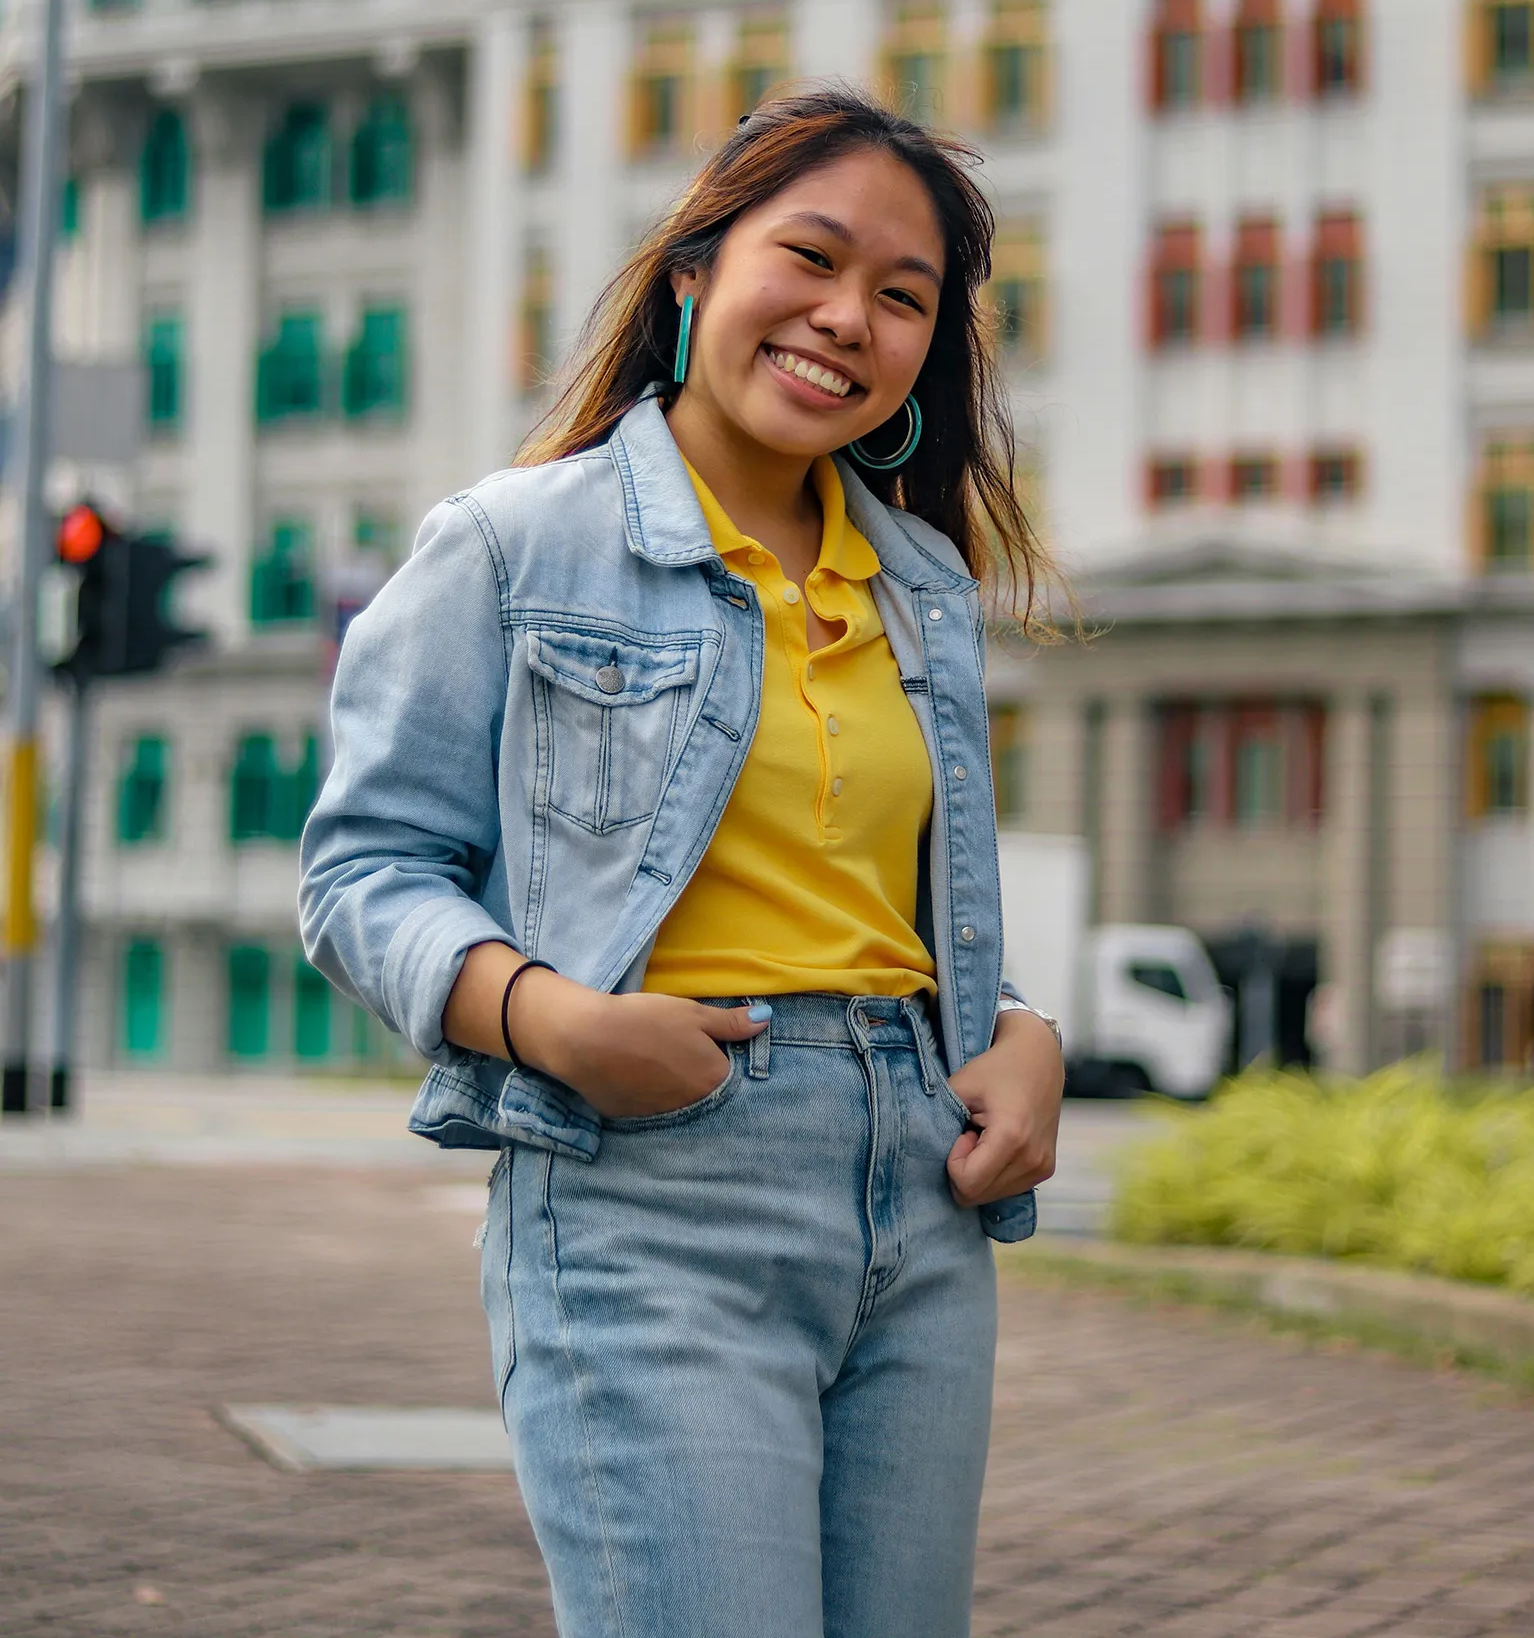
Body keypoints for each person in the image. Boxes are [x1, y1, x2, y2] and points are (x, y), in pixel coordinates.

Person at [299, 84, 1066, 1638]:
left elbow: (902, 896)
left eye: (903, 298)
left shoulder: (919, 583)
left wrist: (1021, 1033)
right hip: (652, 1194)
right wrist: (552, 1021)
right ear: (696, 268)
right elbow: (360, 874)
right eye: (815, 258)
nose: (850, 318)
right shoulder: (513, 545)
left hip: (919, 1206)